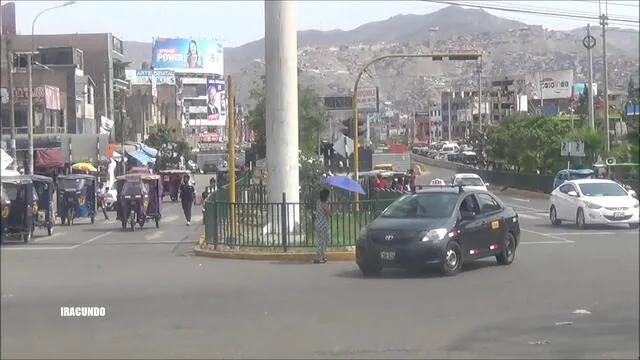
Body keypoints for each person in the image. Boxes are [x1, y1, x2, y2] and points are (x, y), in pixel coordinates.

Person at [314, 188, 332, 264]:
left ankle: (322, 256)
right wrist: (329, 205)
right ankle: (320, 257)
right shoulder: (324, 204)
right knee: (325, 240)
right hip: (323, 224)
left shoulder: (318, 202)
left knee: (321, 240)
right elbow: (329, 213)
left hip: (318, 223)